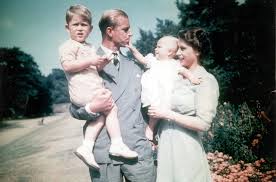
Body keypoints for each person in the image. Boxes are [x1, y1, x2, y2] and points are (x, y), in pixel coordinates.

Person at [69, 9, 156, 182]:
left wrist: (151, 134)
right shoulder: (86, 62)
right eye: (125, 29)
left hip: (137, 150)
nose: (130, 33)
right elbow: (74, 107)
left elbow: (152, 100)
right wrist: (92, 108)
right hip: (104, 150)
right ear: (110, 31)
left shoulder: (135, 65)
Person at [59, 5, 138, 170]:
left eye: (84, 25)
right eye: (75, 25)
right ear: (67, 28)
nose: (80, 29)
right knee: (110, 108)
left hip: (136, 144)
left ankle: (87, 147)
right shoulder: (69, 46)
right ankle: (114, 144)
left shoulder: (91, 49)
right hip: (85, 94)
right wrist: (91, 108)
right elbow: (67, 66)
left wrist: (99, 64)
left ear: (91, 28)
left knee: (105, 113)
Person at [148, 28, 219, 182]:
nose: (178, 53)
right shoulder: (176, 76)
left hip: (186, 151)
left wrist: (167, 114)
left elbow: (203, 124)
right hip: (166, 147)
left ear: (198, 51)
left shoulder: (205, 80)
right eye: (178, 48)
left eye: (183, 48)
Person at [127, 36, 201, 140]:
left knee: (162, 110)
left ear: (169, 52)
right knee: (154, 109)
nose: (155, 49)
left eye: (159, 47)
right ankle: (151, 128)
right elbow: (141, 59)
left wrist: (192, 78)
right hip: (153, 91)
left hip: (166, 93)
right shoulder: (153, 61)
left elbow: (185, 71)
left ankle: (153, 130)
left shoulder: (175, 64)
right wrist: (131, 48)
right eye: (156, 47)